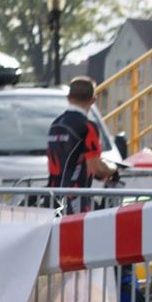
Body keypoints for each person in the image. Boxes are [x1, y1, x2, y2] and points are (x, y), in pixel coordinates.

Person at [47, 76, 118, 215]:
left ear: (68, 97)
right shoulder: (87, 126)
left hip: (52, 198)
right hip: (75, 198)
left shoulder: (55, 124)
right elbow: (95, 167)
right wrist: (113, 168)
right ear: (93, 100)